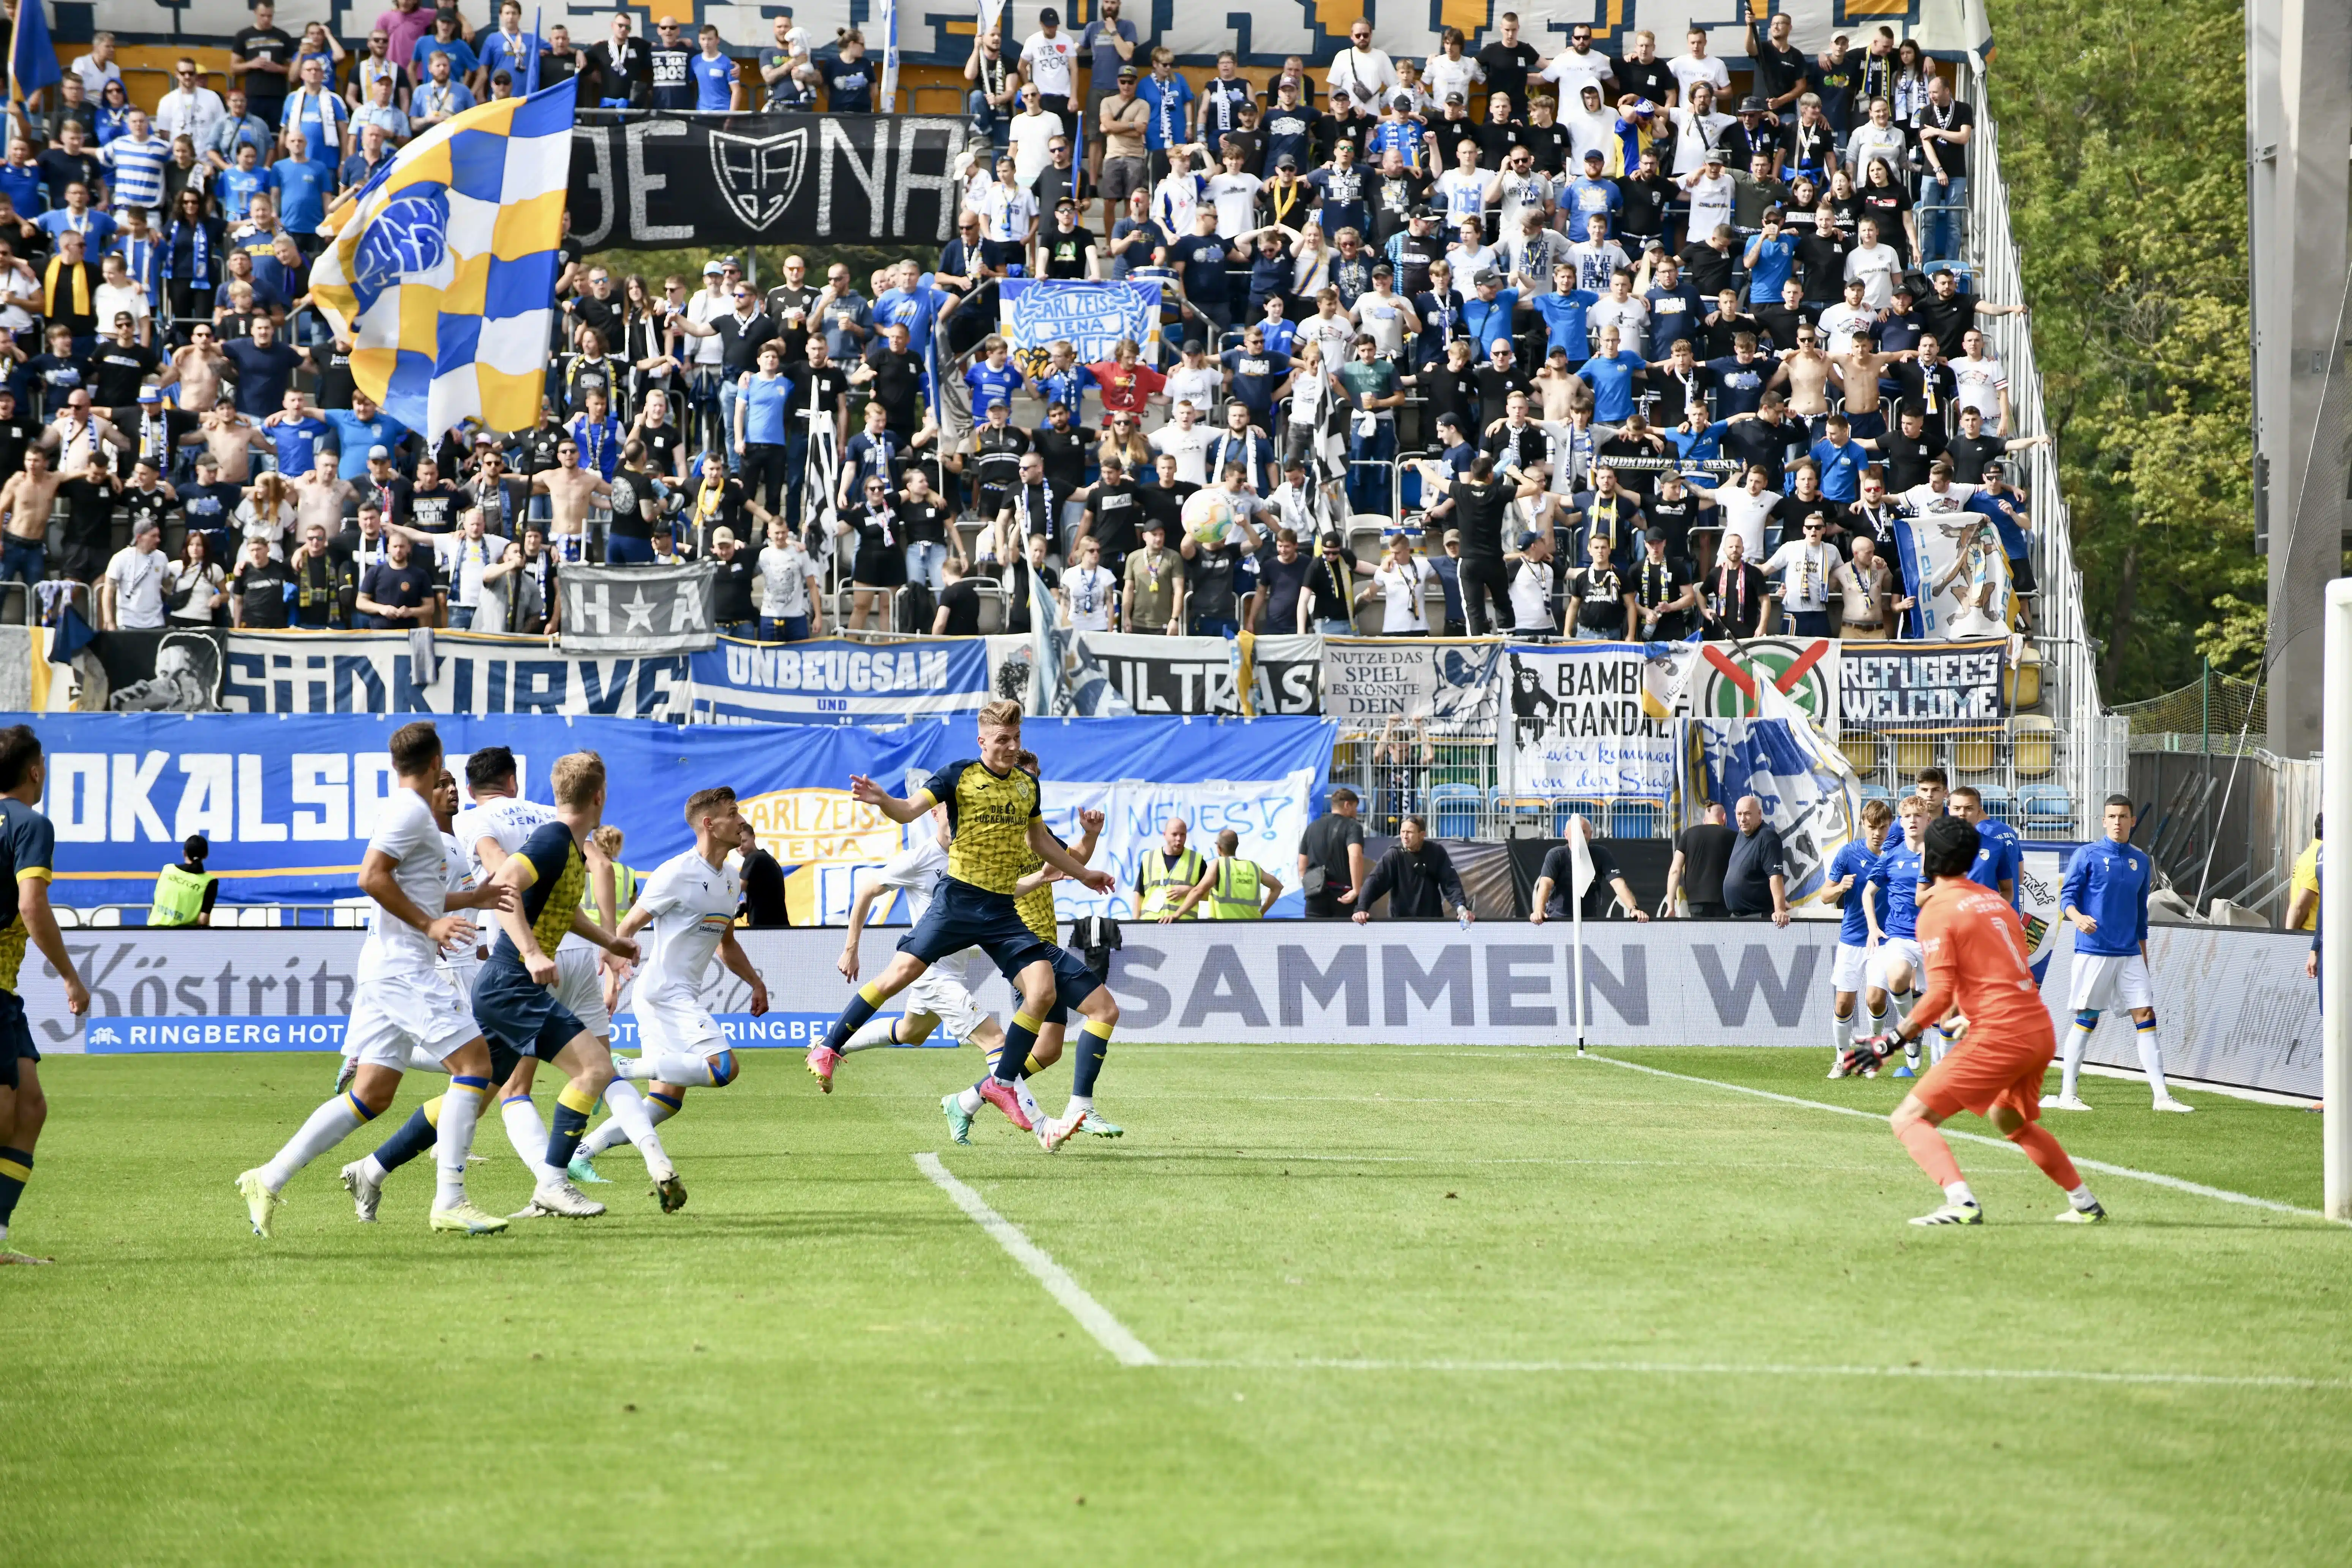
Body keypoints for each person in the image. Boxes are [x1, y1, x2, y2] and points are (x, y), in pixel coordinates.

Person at [235, 723, 512, 1239]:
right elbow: (372, 876)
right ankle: (451, 1201)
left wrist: (466, 901)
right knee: (476, 1065)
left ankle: (267, 1178)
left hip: (391, 967)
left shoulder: (408, 812)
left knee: (372, 1095)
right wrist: (430, 925)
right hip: (404, 968)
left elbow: (404, 884)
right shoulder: (410, 811)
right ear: (436, 763)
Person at [805, 701, 1118, 1153]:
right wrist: (883, 802)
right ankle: (829, 1047)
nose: (1011, 747)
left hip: (1000, 911)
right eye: (1003, 739)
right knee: (901, 974)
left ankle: (1001, 1083)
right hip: (958, 901)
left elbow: (1040, 842)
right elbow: (910, 810)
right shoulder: (958, 775)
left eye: (1016, 738)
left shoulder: (1028, 787)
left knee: (1043, 988)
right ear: (983, 741)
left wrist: (1085, 873)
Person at [1837, 816, 2110, 1227]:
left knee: (1909, 1119)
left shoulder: (1935, 911)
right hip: (2036, 1028)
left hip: (2001, 1034)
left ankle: (1961, 1201)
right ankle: (2085, 1202)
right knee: (2009, 1118)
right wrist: (1973, 1012)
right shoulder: (1996, 903)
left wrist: (1891, 1040)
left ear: (1932, 857)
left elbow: (1942, 993)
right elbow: (2005, 970)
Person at [569, 789, 770, 1189]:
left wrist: (755, 982)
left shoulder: (732, 880)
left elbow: (727, 944)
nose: (742, 822)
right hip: (664, 994)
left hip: (672, 996)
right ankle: (620, 1069)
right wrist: (614, 971)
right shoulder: (676, 873)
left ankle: (582, 1153)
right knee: (725, 1069)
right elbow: (627, 927)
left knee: (665, 1102)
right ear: (709, 825)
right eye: (733, 815)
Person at [0, 729, 90, 1263]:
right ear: (35, 772)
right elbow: (32, 906)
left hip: (4, 993)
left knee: (29, 1108)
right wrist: (69, 976)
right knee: (6, 1114)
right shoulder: (31, 824)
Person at [2046, 796, 2191, 1114]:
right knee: (2087, 1019)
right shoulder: (2087, 855)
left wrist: (2144, 957)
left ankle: (2162, 1097)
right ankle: (2068, 1094)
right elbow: (2066, 897)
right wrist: (2077, 917)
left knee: (2146, 1017)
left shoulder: (2141, 861)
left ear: (2133, 821)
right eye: (2111, 816)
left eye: (2123, 816)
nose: (2117, 822)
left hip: (2130, 955)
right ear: (2103, 821)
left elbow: (2141, 916)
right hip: (2095, 951)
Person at [1822, 798, 1895, 1078]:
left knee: (1875, 999)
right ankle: (1842, 1058)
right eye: (1872, 827)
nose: (1878, 833)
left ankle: (1872, 1053)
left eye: (1884, 827)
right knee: (1843, 1003)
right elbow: (1826, 895)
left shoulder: (1898, 855)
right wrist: (1841, 887)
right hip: (1852, 938)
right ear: (1864, 825)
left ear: (1890, 827)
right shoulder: (1848, 854)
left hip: (1886, 939)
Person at [1863, 794, 1932, 1075]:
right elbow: (1869, 892)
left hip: (1934, 938)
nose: (1913, 821)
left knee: (1947, 1008)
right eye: (1908, 817)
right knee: (1897, 976)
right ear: (1900, 823)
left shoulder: (1941, 854)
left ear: (1929, 819)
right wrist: (1872, 927)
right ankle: (1911, 1030)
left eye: (1918, 816)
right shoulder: (1892, 856)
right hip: (1900, 935)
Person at [1349, 815, 1470, 925]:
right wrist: (1361, 909)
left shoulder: (1436, 852)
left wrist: (1462, 908)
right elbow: (1375, 881)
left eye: (1410, 832)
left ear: (1422, 834)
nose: (1405, 837)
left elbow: (1451, 883)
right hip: (1401, 923)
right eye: (1403, 832)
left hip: (1431, 922)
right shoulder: (1394, 855)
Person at [1528, 819, 1650, 923]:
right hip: (1559, 920)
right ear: (1566, 835)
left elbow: (1618, 884)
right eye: (1576, 832)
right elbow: (1545, 883)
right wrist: (1539, 911)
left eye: (1584, 832)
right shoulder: (1556, 855)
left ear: (1591, 834)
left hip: (1588, 921)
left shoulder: (1601, 854)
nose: (1580, 836)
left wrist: (1633, 909)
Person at [1167, 828, 1284, 921]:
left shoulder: (1219, 864)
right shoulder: (1253, 867)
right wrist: (1262, 912)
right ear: (1237, 845)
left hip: (1225, 929)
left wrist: (1177, 915)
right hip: (1252, 927)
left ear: (1219, 848)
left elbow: (1199, 892)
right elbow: (1278, 887)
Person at [1298, 785, 1368, 919]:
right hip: (1343, 895)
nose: (1356, 812)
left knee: (1316, 939)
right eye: (1355, 807)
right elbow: (1355, 855)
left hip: (1315, 895)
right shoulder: (1353, 826)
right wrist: (1356, 889)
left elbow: (1302, 862)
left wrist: (1308, 886)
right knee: (1344, 939)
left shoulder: (1312, 827)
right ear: (1347, 805)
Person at [1723, 794, 1792, 927]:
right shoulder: (1742, 834)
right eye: (1739, 814)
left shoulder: (1767, 837)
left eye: (1748, 814)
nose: (1742, 819)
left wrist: (1780, 909)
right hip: (1739, 916)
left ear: (1760, 814)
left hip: (1757, 918)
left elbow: (1776, 876)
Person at [1664, 801, 1734, 917]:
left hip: (1696, 905)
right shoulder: (1733, 837)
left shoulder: (1688, 835)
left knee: (1700, 935)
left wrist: (1671, 907)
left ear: (1705, 821)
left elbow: (1675, 870)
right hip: (1724, 903)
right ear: (1724, 818)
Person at [1135, 817, 1206, 920]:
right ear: (1165, 835)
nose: (1179, 839)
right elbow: (1139, 894)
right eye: (1175, 834)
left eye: (1183, 835)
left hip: (1183, 926)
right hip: (1151, 926)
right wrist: (1134, 924)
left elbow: (1210, 895)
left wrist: (1189, 891)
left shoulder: (1197, 861)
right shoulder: (1149, 859)